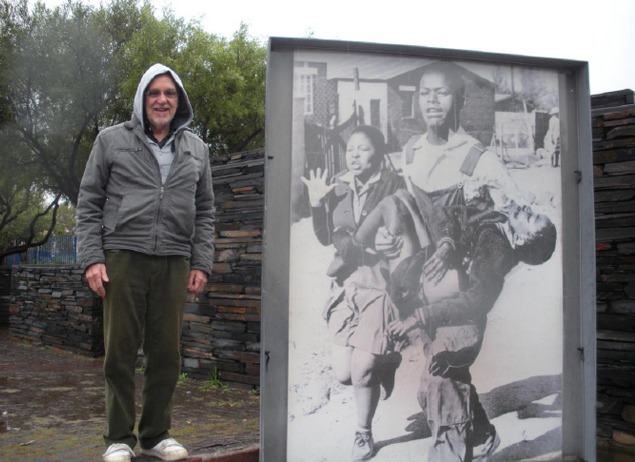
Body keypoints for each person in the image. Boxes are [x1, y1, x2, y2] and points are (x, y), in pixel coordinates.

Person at [374, 60, 539, 462]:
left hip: (465, 286)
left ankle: (453, 451)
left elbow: (509, 215)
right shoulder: (411, 150)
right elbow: (404, 206)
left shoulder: (478, 159)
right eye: (425, 92)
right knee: (434, 378)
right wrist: (387, 235)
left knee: (442, 373)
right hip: (423, 280)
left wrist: (455, 245)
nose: (432, 100)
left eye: (442, 92)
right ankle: (480, 435)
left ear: (459, 100)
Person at [76, 63, 215, 462]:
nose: (162, 100)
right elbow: (89, 203)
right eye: (154, 92)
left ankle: (155, 435)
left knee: (166, 353)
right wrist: (91, 258)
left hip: (174, 258)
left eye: (169, 93)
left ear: (179, 101)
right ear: (142, 98)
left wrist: (200, 262)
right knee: (119, 351)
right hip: (123, 256)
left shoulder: (197, 149)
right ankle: (118, 438)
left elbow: (205, 210)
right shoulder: (111, 140)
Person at [301, 125, 405, 462]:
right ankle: (384, 364)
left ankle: (363, 434)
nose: (354, 155)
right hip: (346, 285)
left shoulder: (395, 184)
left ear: (378, 152)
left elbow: (403, 235)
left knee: (361, 369)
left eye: (363, 148)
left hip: (380, 282)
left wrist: (391, 242)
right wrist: (317, 204)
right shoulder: (339, 186)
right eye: (351, 149)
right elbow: (325, 236)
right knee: (344, 374)